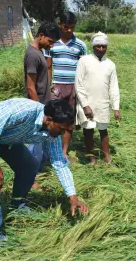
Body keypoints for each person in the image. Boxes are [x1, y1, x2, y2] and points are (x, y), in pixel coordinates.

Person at [0, 98, 89, 241]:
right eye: (62, 129)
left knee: (29, 165)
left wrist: (73, 197)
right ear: (49, 120)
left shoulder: (53, 132)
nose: (63, 133)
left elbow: (59, 163)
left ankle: (18, 207)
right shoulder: (23, 111)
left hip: (2, 138)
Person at [45, 12, 87, 161]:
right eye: (66, 27)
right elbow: (48, 66)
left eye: (72, 27)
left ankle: (64, 152)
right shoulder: (52, 43)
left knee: (69, 121)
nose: (69, 30)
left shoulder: (80, 45)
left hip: (73, 87)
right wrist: (49, 85)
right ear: (60, 24)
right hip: (56, 86)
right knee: (54, 118)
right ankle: (50, 151)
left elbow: (84, 68)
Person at [24, 21, 61, 187]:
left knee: (41, 142)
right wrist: (38, 110)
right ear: (41, 35)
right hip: (36, 105)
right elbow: (30, 86)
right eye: (50, 41)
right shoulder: (32, 55)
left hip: (43, 103)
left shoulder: (40, 52)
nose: (51, 45)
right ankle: (30, 178)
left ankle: (38, 169)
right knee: (34, 143)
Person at [75, 32, 121, 164]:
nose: (101, 49)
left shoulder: (110, 65)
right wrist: (85, 105)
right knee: (88, 130)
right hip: (87, 102)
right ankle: (92, 158)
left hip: (103, 102)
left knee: (103, 130)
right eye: (98, 46)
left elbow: (114, 87)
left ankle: (106, 157)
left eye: (103, 46)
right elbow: (78, 84)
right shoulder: (84, 61)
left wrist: (116, 108)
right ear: (93, 47)